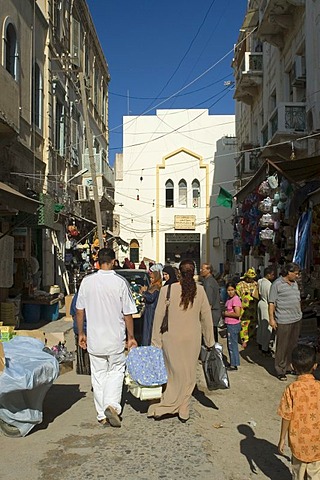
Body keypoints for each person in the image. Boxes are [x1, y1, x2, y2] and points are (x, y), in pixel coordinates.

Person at [76, 248, 138, 427]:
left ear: (97, 262)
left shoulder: (87, 282)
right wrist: (131, 337)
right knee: (116, 371)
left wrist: (81, 333)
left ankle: (101, 414)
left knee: (98, 375)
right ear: (113, 261)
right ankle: (111, 405)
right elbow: (128, 313)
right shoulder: (120, 282)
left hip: (95, 338)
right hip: (115, 338)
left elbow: (80, 311)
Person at [147, 259, 214, 422]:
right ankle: (183, 406)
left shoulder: (167, 289)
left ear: (179, 273)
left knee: (174, 372)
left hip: (171, 338)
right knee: (189, 373)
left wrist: (155, 340)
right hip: (192, 338)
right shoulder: (200, 290)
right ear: (194, 272)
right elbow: (206, 317)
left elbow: (158, 315)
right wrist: (210, 340)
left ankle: (169, 403)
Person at [278, 344, 320, 478]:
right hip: (317, 443)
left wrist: (282, 439)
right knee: (315, 474)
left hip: (298, 442)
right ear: (315, 366)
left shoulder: (291, 389)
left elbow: (286, 416)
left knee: (298, 473)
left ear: (292, 366)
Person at [269, 262, 302, 381]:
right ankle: (280, 369)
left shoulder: (295, 284)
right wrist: (271, 319)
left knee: (292, 345)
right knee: (282, 346)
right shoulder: (277, 284)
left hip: (296, 318)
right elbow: (271, 303)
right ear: (289, 272)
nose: (297, 276)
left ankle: (289, 366)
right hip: (283, 319)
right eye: (296, 273)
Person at [236, 268, 259, 348]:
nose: (251, 279)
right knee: (244, 324)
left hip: (253, 308)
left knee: (252, 323)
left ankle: (251, 337)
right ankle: (244, 340)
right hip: (244, 309)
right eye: (250, 278)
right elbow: (237, 296)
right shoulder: (240, 285)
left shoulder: (256, 284)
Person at [223, 282, 242, 371]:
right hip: (229, 324)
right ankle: (233, 362)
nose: (230, 292)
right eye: (228, 290)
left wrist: (227, 313)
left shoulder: (235, 299)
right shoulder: (229, 299)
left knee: (232, 344)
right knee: (230, 344)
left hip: (233, 324)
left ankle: (234, 364)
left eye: (232, 290)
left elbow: (237, 313)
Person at [257, 267, 276, 356]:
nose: (273, 276)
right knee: (267, 328)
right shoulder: (269, 285)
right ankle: (265, 348)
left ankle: (260, 343)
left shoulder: (260, 281)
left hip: (260, 303)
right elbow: (271, 299)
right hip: (266, 305)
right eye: (272, 274)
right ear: (268, 274)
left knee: (261, 326)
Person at [200, 263, 221, 343]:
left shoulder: (209, 283)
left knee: (210, 338)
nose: (201, 271)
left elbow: (208, 302)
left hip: (212, 313)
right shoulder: (209, 281)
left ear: (209, 270)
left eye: (203, 269)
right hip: (214, 313)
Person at [141, 269, 162, 346]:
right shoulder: (153, 286)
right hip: (149, 309)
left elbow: (151, 298)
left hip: (151, 310)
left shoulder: (156, 287)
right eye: (150, 278)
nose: (151, 279)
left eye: (153, 278)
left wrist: (144, 292)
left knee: (149, 329)